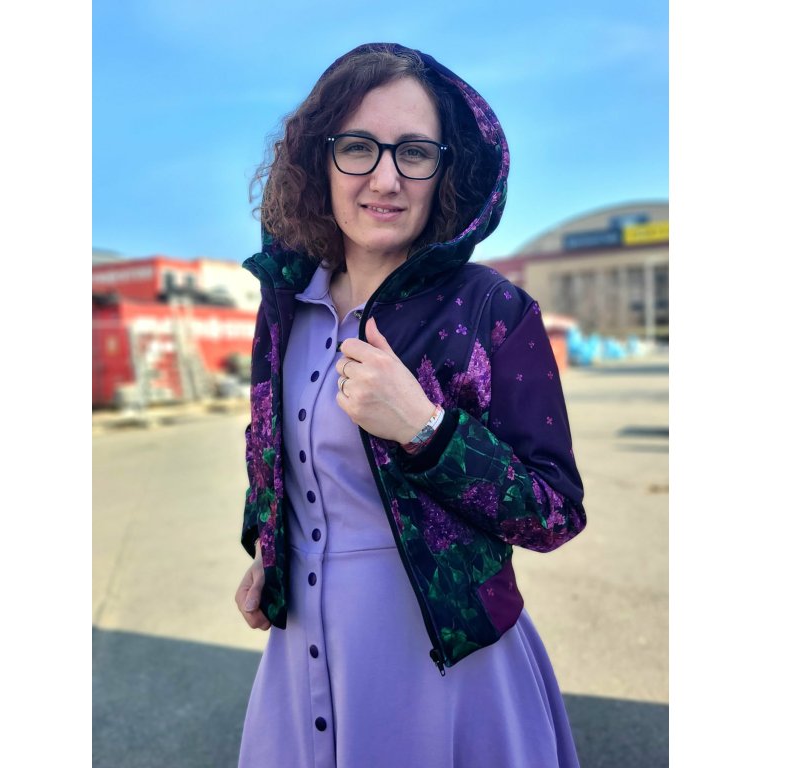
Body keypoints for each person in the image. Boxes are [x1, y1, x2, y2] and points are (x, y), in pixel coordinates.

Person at [234, 42, 587, 767]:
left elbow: (555, 511)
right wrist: (272, 547)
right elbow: (273, 449)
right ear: (319, 159)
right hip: (302, 653)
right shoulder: (284, 305)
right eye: (358, 147)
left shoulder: (490, 311)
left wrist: (427, 431)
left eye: (415, 152)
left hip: (445, 670)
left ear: (446, 170)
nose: (386, 178)